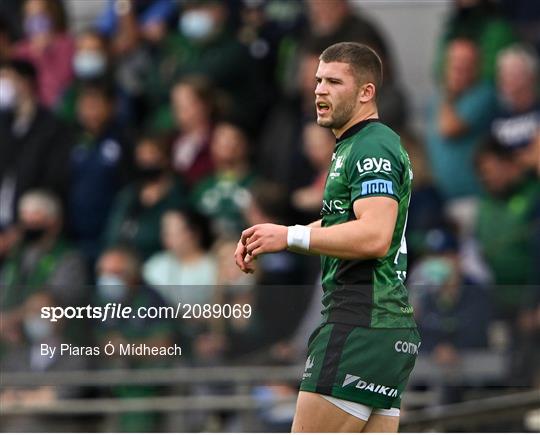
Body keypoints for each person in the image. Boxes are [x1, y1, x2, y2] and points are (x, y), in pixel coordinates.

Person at [235, 42, 419, 432]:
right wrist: (285, 234)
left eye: (334, 81)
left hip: (358, 323)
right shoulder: (352, 146)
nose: (319, 90)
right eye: (318, 80)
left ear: (366, 91)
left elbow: (374, 236)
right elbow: (349, 224)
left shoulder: (372, 143)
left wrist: (293, 238)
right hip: (384, 329)